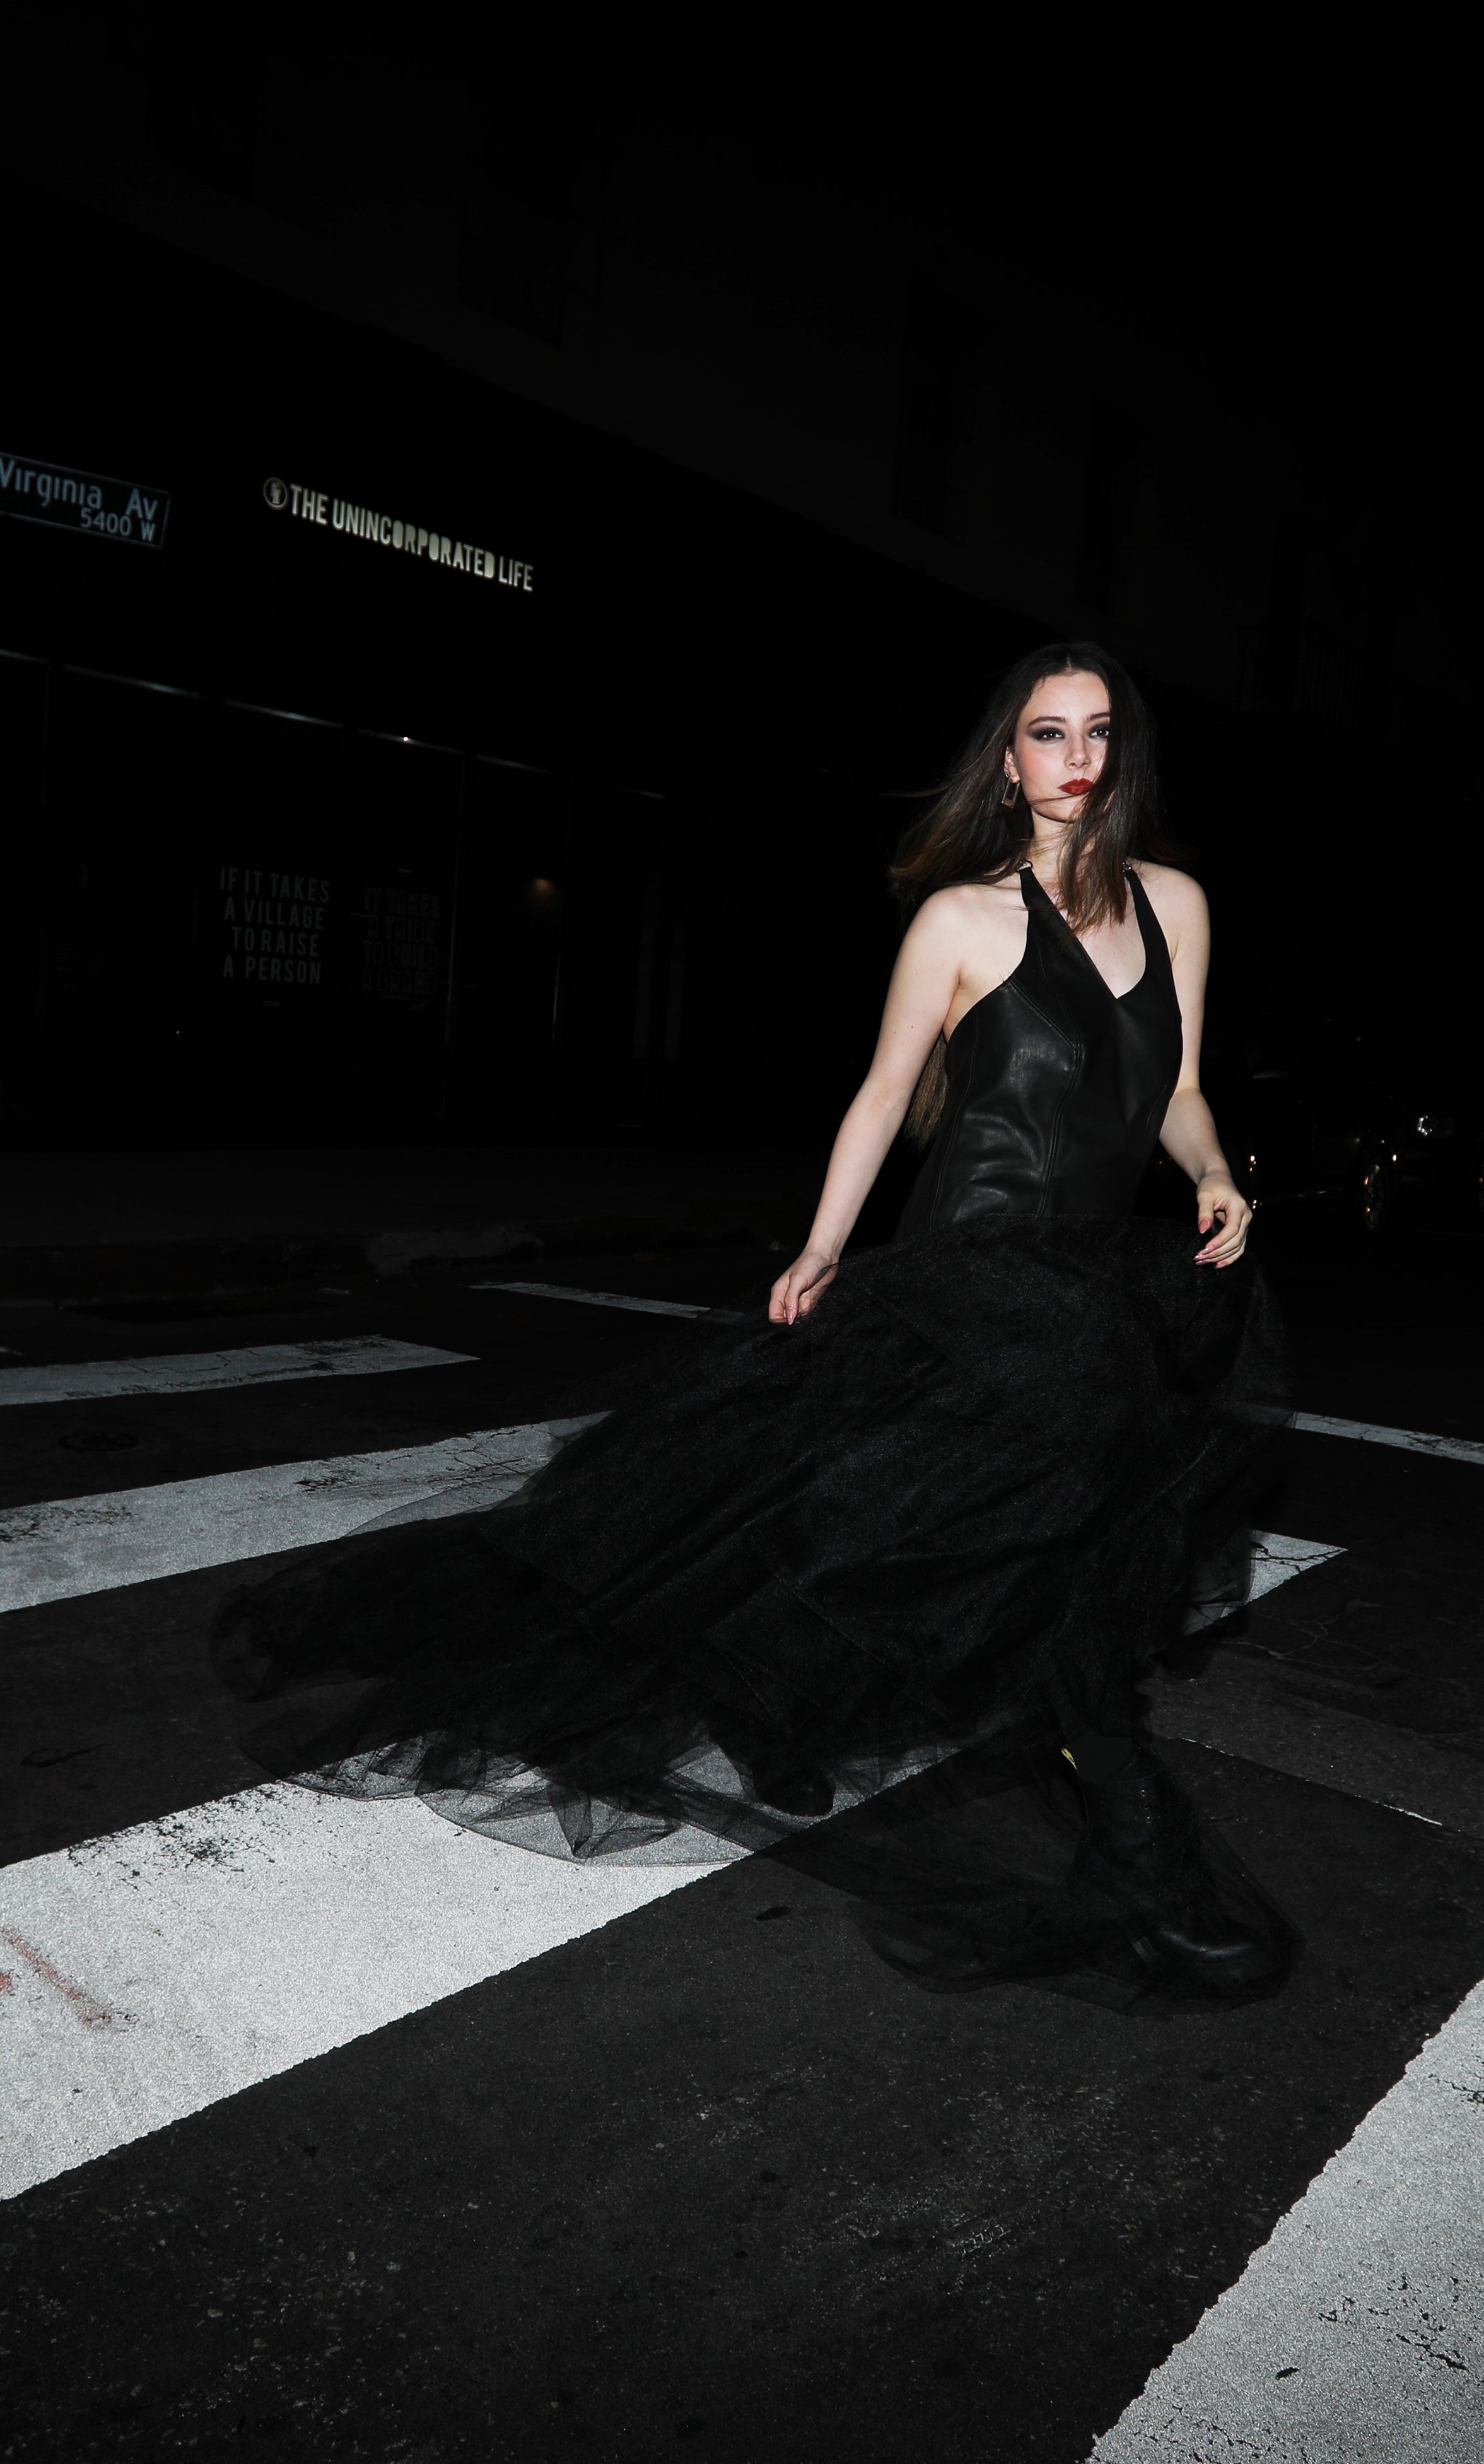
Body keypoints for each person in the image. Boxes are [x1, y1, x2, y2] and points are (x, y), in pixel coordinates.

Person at [214, 642, 1294, 2014]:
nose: (1074, 757)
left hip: (1101, 1297)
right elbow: (880, 1094)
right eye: (1045, 732)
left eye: (1096, 731)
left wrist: (1211, 1171)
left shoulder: (1174, 904)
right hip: (965, 1287)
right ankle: (1035, 1811)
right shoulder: (962, 920)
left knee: (1046, 1557)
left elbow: (1178, 1086)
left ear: (1121, 752)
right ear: (1007, 761)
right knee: (866, 1526)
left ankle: (1084, 1823)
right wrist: (826, 1245)